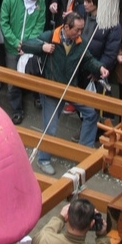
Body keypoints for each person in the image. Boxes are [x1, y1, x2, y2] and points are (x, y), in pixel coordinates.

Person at [22, 11, 109, 175]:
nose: (80, 33)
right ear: (66, 27)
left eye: (82, 29)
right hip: (51, 89)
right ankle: (43, 159)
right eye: (77, 29)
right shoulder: (50, 36)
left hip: (71, 88)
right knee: (50, 127)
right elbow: (25, 45)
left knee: (91, 113)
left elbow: (88, 59)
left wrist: (100, 67)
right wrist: (42, 47)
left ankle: (84, 152)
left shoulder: (79, 42)